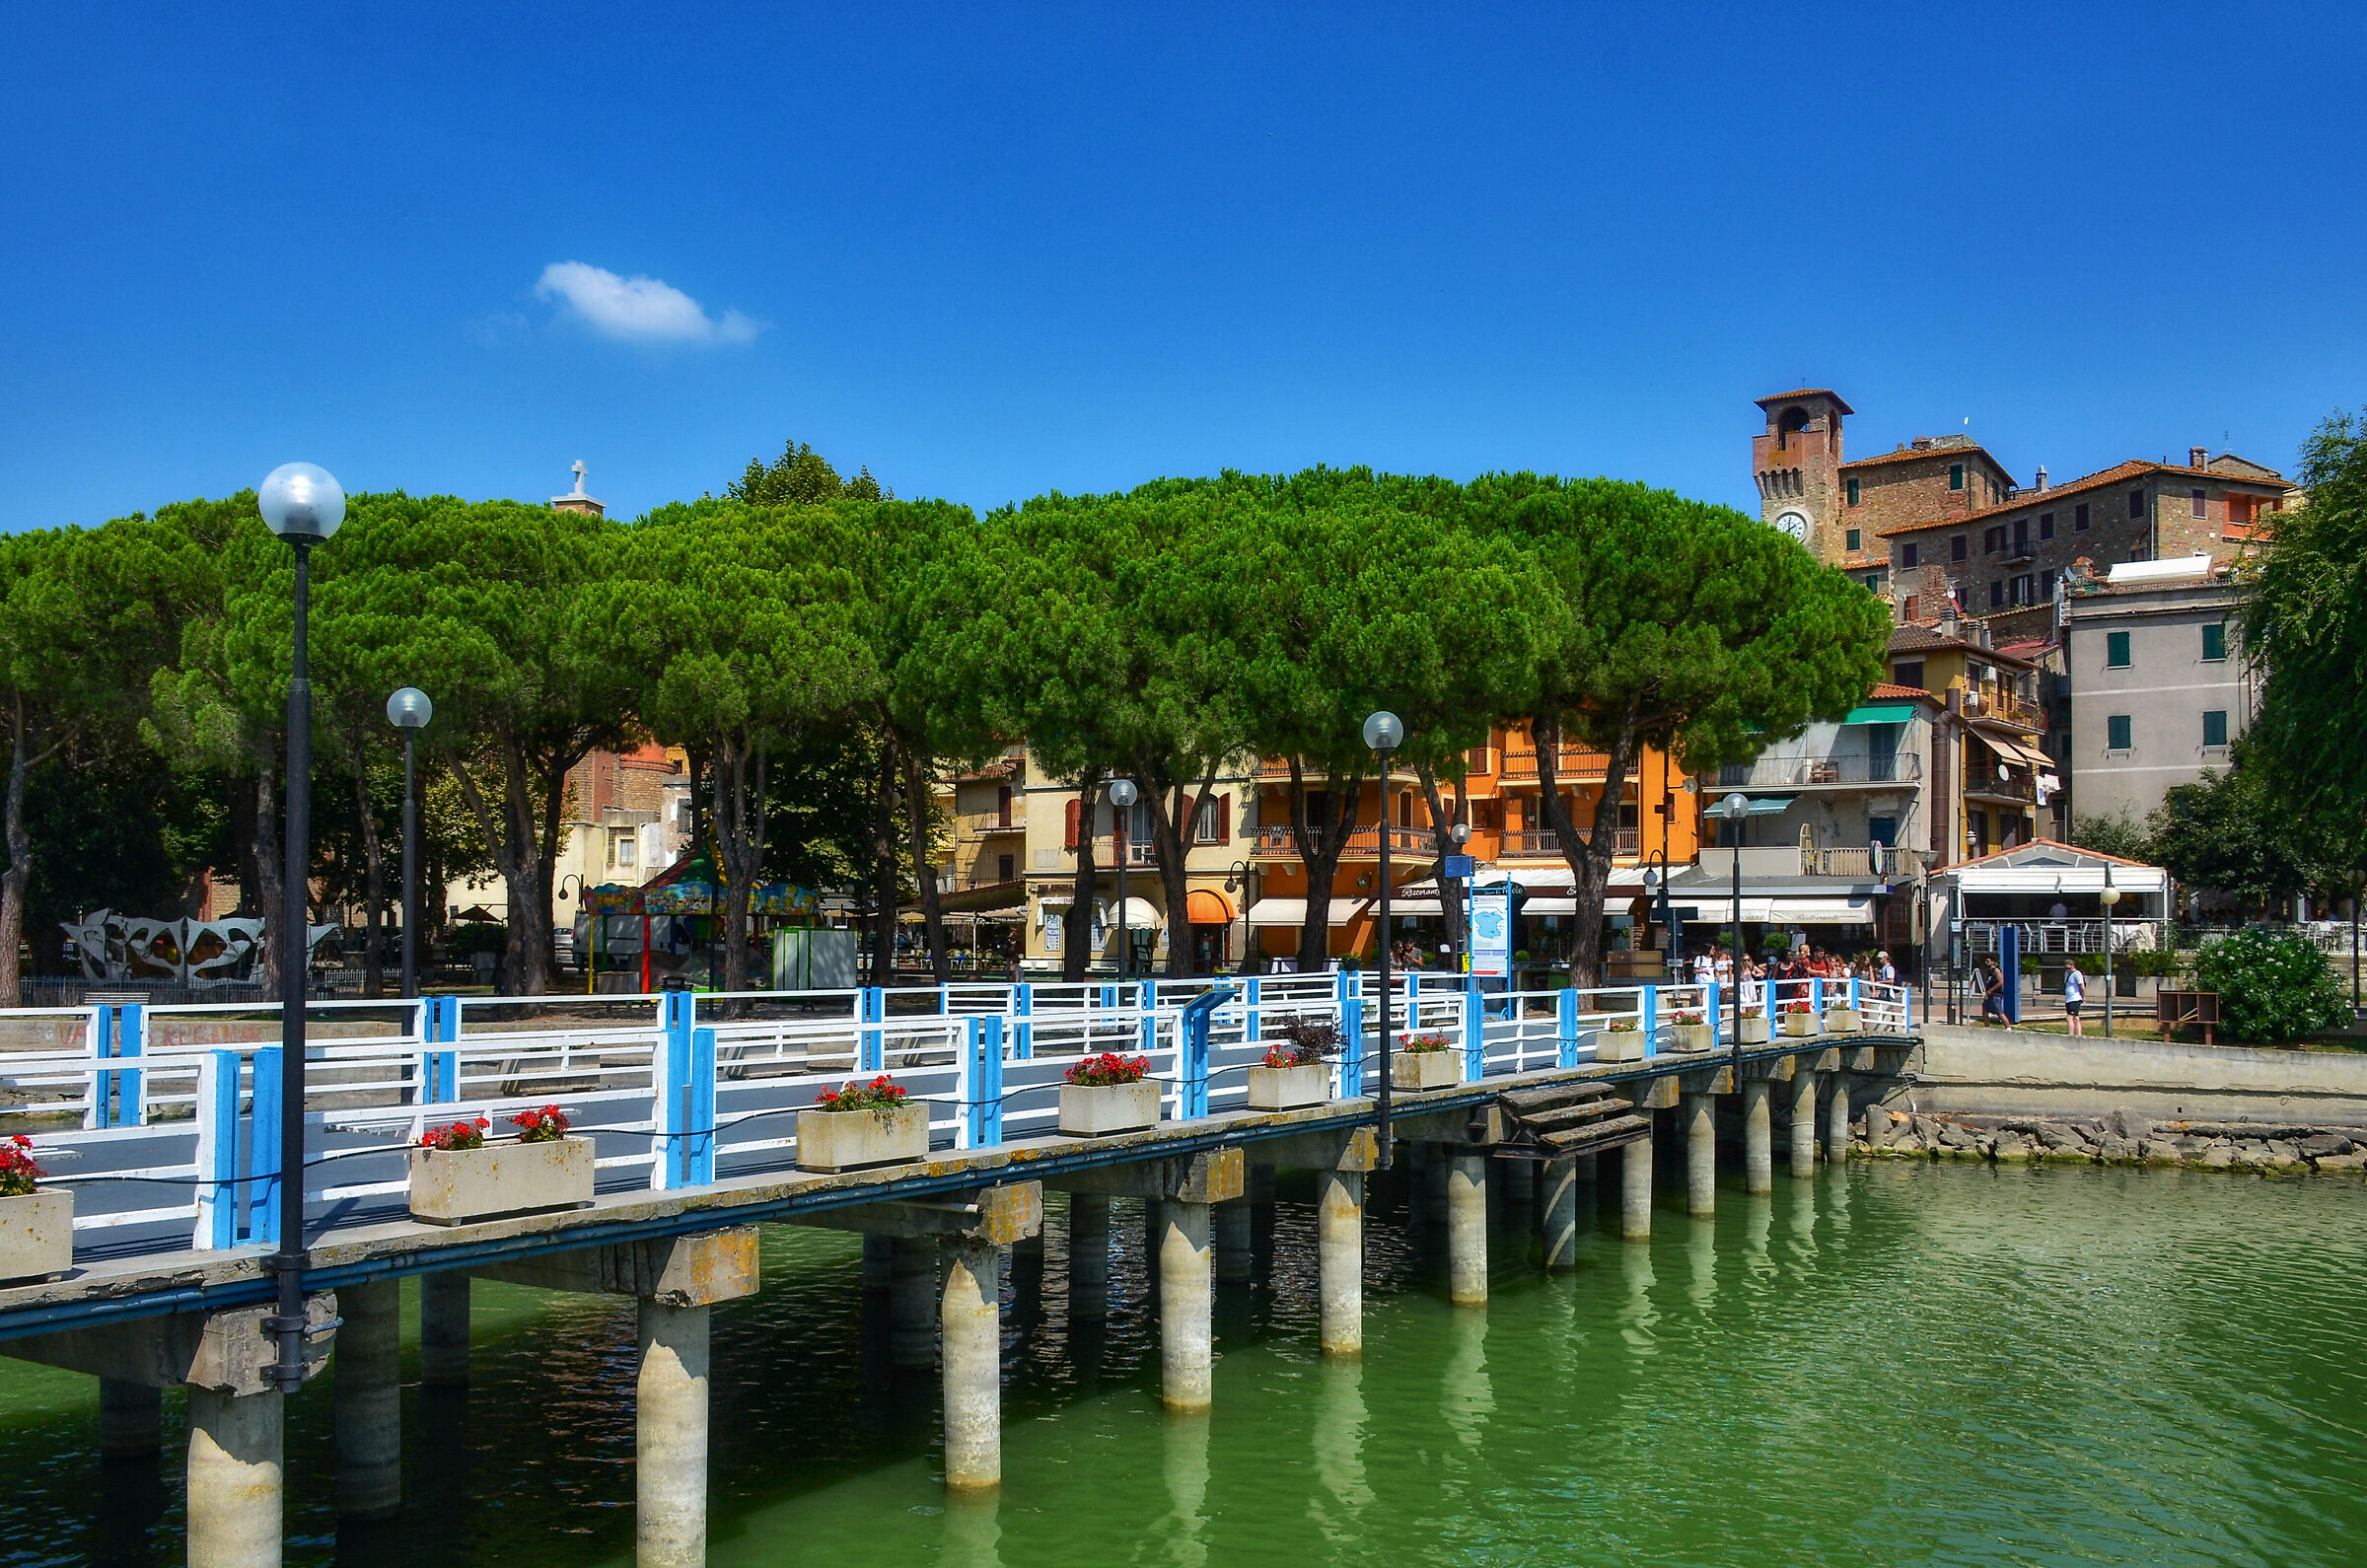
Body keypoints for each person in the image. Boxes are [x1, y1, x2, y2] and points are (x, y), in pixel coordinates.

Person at [1980, 956, 2009, 1027]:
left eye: (1988, 961)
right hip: (1989, 995)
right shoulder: (1988, 971)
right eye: (1985, 961)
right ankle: (1987, 1027)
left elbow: (2001, 982)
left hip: (1995, 994)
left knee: (1999, 1012)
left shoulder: (1996, 970)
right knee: (1985, 1012)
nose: (1986, 962)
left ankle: (2008, 1028)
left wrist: (1991, 990)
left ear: (1993, 962)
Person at [2063, 961, 2086, 1035]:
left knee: (2069, 1017)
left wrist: (2083, 997)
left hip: (2075, 998)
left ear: (2073, 966)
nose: (2067, 970)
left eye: (2069, 968)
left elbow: (2082, 987)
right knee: (2076, 1018)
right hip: (2069, 999)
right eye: (2066, 968)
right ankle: (2078, 1035)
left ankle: (2070, 1035)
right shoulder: (2066, 974)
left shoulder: (2077, 974)